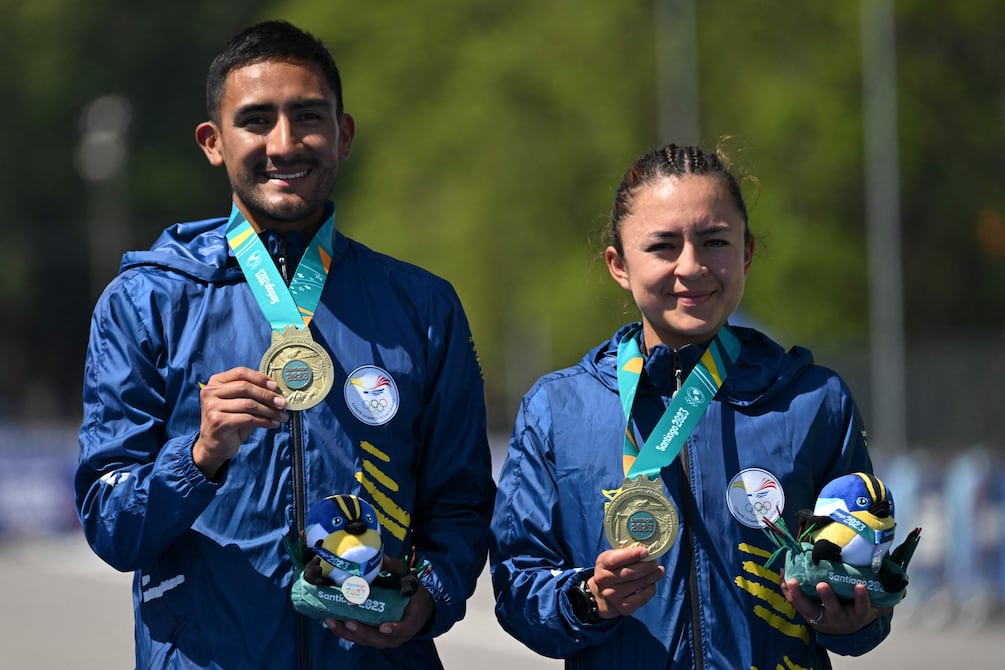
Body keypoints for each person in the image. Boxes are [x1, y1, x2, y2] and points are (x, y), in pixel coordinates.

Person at [75, 20, 495, 670]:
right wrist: (198, 457)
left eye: (307, 117)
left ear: (343, 134)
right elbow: (111, 524)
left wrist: (428, 598)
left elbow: (460, 505)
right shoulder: (146, 302)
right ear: (213, 142)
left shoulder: (422, 306)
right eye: (256, 121)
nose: (284, 143)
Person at [490, 143, 894, 669]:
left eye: (715, 241)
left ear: (745, 252)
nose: (692, 266)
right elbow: (517, 589)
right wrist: (589, 599)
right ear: (619, 264)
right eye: (662, 246)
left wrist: (857, 618)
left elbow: (865, 579)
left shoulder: (814, 401)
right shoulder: (558, 409)